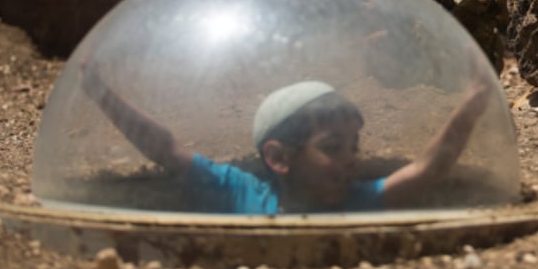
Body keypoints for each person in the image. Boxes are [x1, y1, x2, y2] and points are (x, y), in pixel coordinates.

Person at [79, 57, 494, 214]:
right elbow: (165, 150)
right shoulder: (239, 192)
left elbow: (428, 169)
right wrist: (103, 95)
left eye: (355, 147)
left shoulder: (361, 199)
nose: (352, 160)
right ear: (278, 158)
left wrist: (471, 105)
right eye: (332, 147)